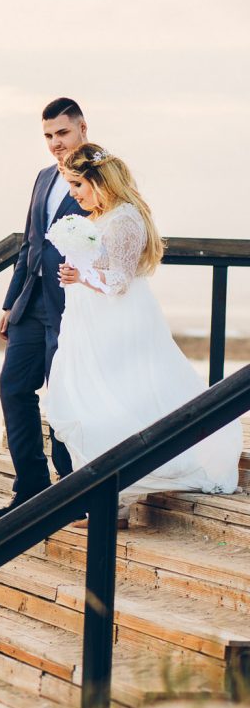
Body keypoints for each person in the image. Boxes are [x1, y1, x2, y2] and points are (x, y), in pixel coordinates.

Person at [46, 142, 241, 520]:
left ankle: (117, 491)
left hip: (120, 320)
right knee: (90, 398)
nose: (74, 195)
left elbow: (118, 281)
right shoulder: (99, 217)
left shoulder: (125, 219)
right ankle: (108, 493)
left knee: (118, 399)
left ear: (99, 181)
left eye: (77, 186)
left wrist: (81, 275)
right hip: (90, 321)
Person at [0, 97, 89, 519]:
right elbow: (30, 245)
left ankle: (69, 491)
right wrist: (11, 303)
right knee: (14, 389)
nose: (55, 143)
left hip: (73, 305)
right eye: (48, 136)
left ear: (82, 127)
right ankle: (31, 485)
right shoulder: (43, 177)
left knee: (65, 397)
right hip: (31, 306)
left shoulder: (104, 172)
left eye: (62, 133)